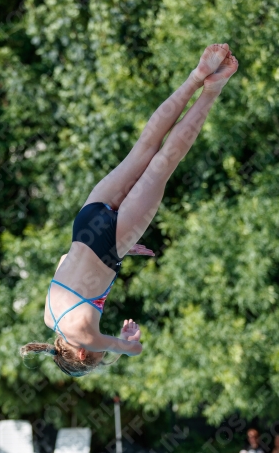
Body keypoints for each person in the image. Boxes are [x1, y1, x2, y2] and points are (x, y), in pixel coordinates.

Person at [21, 43, 238, 376]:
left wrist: (124, 342)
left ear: (81, 355)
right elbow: (65, 262)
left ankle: (212, 90)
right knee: (145, 147)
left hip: (111, 243)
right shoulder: (49, 317)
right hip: (86, 224)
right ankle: (197, 75)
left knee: (165, 161)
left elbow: (130, 347)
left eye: (92, 358)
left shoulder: (85, 336)